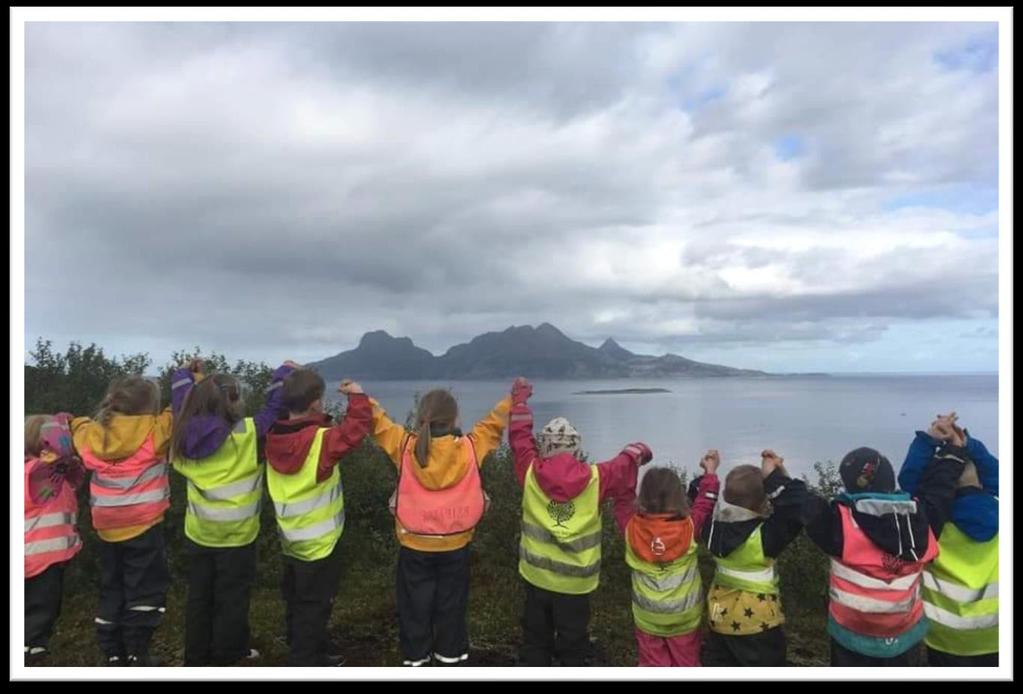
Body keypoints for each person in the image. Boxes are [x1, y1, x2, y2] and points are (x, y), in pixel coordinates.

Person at [508, 377, 652, 666]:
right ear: (575, 450)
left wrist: (520, 401)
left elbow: (519, 438)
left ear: (545, 448)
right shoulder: (598, 478)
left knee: (535, 641)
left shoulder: (530, 471)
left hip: (536, 578)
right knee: (573, 643)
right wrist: (640, 451)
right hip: (576, 585)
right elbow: (630, 460)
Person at [369, 384, 510, 666]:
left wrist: (361, 397)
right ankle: (450, 657)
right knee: (451, 606)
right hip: (456, 545)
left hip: (414, 545)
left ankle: (416, 659)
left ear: (421, 419)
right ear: (455, 419)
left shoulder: (405, 445)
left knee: (414, 608)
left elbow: (379, 422)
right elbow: (493, 424)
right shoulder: (470, 447)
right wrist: (513, 399)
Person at [169, 357, 296, 665]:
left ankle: (196, 660)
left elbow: (180, 401)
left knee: (199, 597)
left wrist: (185, 375)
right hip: (237, 538)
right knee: (232, 599)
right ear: (234, 401)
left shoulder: (182, 433)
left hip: (200, 533)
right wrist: (284, 373)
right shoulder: (248, 434)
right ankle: (227, 657)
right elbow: (276, 409)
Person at [72, 375, 184, 666]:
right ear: (150, 406)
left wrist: (70, 421)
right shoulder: (154, 430)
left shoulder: (93, 433)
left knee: (113, 585)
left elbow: (75, 426)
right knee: (145, 587)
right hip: (144, 525)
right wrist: (190, 375)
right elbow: (179, 408)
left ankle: (111, 651)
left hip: (107, 525)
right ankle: (137, 650)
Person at [264, 369, 372, 666]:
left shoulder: (273, 437)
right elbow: (356, 430)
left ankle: (311, 646)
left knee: (297, 601)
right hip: (321, 545)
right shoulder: (319, 441)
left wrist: (285, 375)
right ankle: (305, 660)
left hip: (291, 540)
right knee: (315, 606)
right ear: (315, 403)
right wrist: (358, 396)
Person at [803, 446, 937, 666]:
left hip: (851, 637)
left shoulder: (840, 525)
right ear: (890, 480)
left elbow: (804, 504)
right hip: (905, 637)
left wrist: (778, 479)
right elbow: (939, 491)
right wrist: (944, 448)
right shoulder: (921, 522)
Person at [898, 412, 998, 666]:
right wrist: (967, 445)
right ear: (980, 481)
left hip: (946, 639)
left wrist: (928, 440)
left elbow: (909, 482)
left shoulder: (929, 524)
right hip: (997, 637)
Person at [700, 450, 807, 666]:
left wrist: (709, 473)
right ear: (763, 503)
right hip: (758, 624)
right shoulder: (763, 537)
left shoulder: (711, 529)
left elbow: (700, 503)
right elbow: (796, 510)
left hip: (719, 616)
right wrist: (778, 476)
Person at [623, 451, 720, 666]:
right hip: (683, 617)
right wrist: (710, 473)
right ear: (678, 495)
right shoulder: (689, 526)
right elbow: (706, 502)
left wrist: (630, 464)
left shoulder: (631, 527)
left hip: (648, 617)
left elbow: (622, 497)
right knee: (686, 663)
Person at [24, 413, 84, 664]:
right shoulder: (40, 474)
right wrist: (60, 425)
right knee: (39, 617)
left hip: (39, 559)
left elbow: (75, 473)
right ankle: (31, 657)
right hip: (41, 561)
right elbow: (65, 459)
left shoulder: (50, 475)